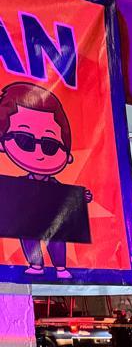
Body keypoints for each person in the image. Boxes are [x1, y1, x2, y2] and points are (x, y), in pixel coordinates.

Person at [0, 81, 93, 280]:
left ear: (67, 156)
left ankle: (60, 267)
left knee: (57, 237)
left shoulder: (56, 188)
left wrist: (80, 199)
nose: (38, 152)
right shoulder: (18, 186)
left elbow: (68, 200)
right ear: (3, 144)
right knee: (27, 234)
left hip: (52, 218)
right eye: (24, 141)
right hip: (28, 219)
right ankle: (35, 264)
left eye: (50, 145)